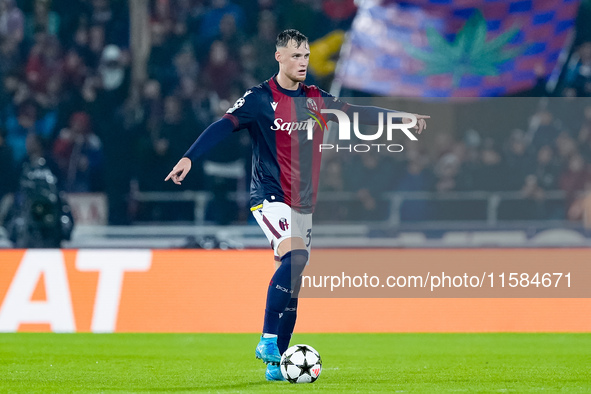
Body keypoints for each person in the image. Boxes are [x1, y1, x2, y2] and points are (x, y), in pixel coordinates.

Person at [165, 29, 429, 381]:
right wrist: (189, 157)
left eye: (305, 56)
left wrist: (400, 119)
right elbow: (222, 125)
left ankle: (277, 364)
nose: (302, 62)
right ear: (279, 57)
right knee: (296, 258)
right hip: (269, 197)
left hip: (302, 206)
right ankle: (267, 340)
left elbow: (356, 111)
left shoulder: (316, 99)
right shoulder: (260, 98)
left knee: (293, 286)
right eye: (295, 56)